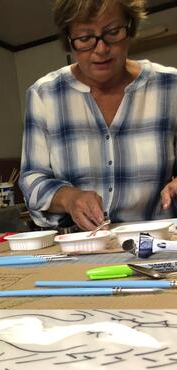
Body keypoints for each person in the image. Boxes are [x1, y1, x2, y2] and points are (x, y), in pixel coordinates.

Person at [19, 0, 177, 232]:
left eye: (113, 32)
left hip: (159, 240)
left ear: (129, 28)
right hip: (82, 243)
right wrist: (68, 197)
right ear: (69, 41)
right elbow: (32, 179)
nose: (101, 49)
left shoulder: (171, 86)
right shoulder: (44, 94)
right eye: (85, 38)